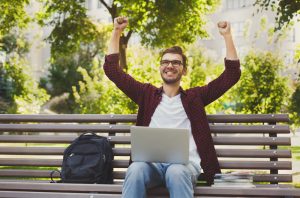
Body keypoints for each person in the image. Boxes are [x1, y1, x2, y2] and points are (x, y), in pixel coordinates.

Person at [103, 16, 241, 198]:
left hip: (184, 168)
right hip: (150, 166)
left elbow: (231, 75)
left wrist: (227, 35)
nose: (170, 65)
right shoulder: (146, 94)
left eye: (176, 62)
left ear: (183, 70)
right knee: (135, 169)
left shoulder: (195, 97)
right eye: (165, 62)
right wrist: (117, 32)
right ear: (160, 68)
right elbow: (112, 70)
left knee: (175, 171)